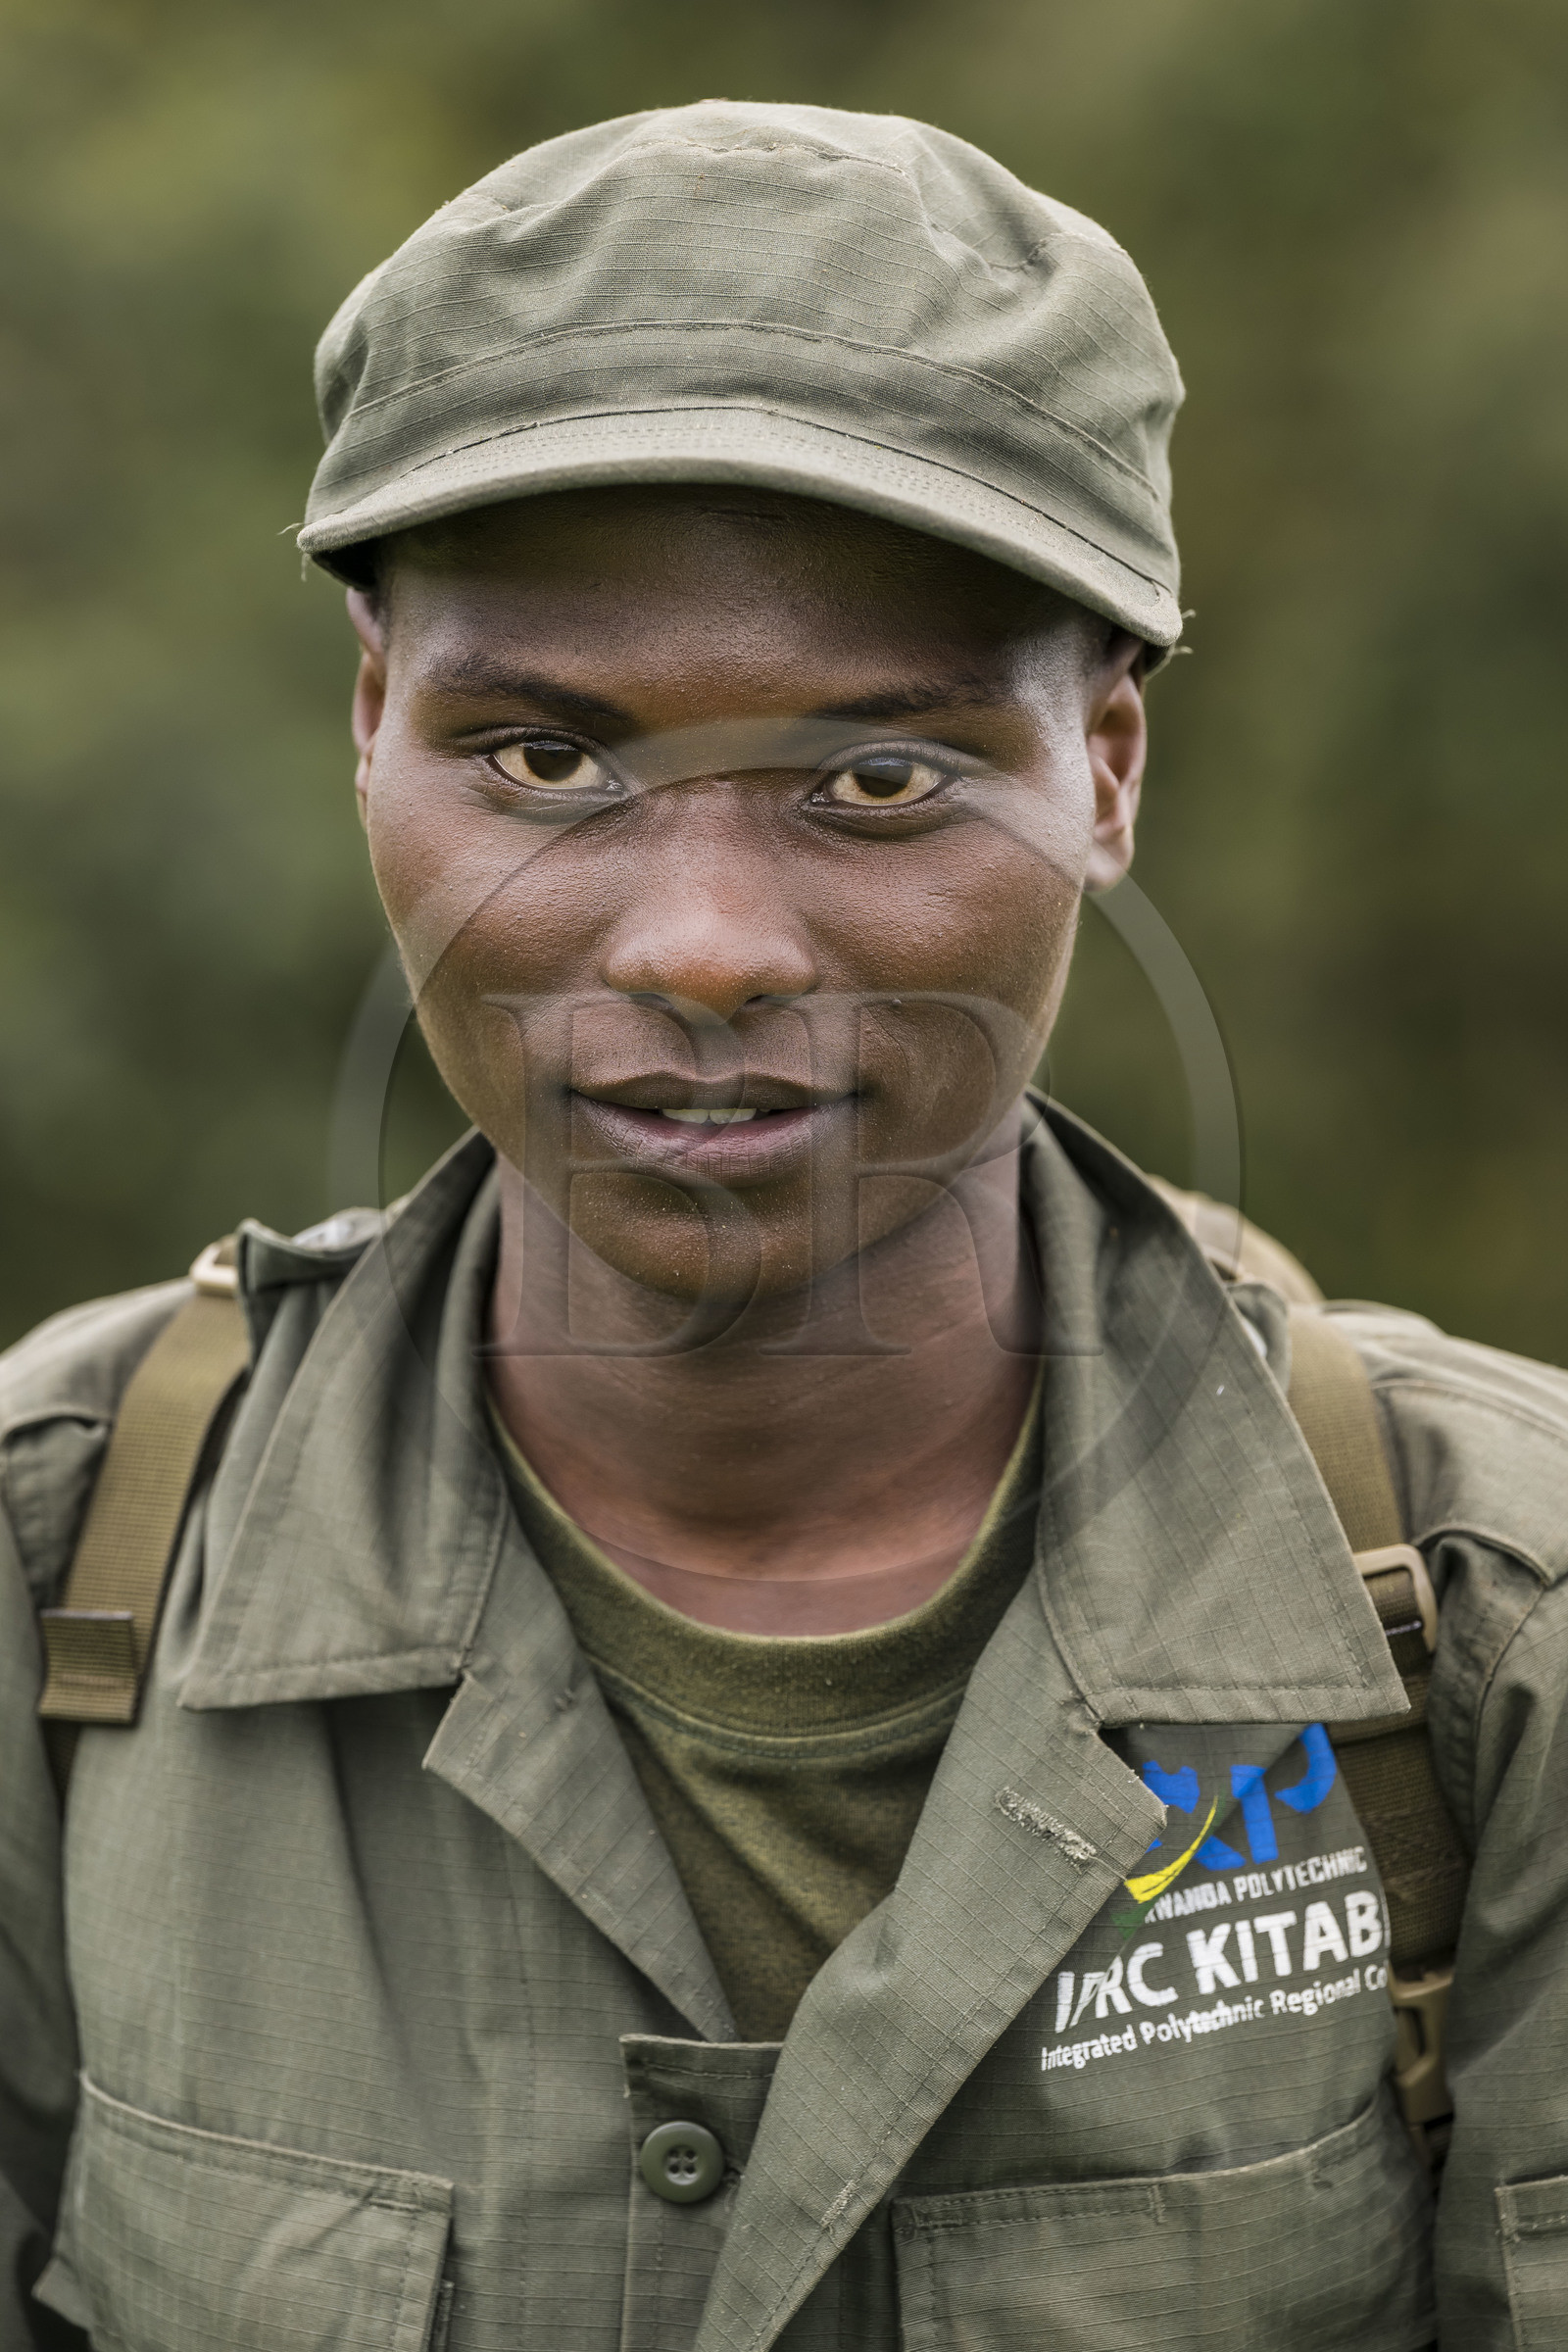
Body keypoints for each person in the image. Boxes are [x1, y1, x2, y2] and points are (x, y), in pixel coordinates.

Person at [4, 100, 1566, 2352]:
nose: (710, 944)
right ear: (372, 726)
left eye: (877, 781)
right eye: (544, 761)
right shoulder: (53, 1596)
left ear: (1103, 773)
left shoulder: (1495, 1649)